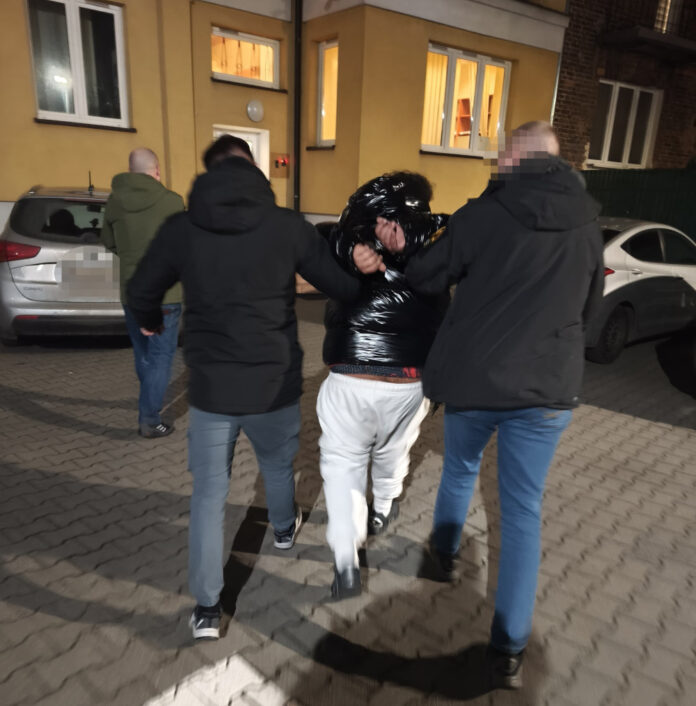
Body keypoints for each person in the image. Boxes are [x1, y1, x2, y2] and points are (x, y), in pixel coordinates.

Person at [369, 122, 604, 689]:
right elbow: (590, 307)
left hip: (477, 380)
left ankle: (444, 555)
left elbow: (427, 275)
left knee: (460, 468)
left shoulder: (484, 213)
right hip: (547, 390)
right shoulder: (587, 222)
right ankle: (509, 648)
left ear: (515, 158)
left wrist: (403, 251)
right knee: (522, 512)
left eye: (502, 157)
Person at [126, 136, 369, 641]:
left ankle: (207, 610)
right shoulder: (287, 226)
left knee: (208, 494)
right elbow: (343, 287)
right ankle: (282, 531)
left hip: (211, 388)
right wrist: (361, 270)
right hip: (271, 382)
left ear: (209, 171)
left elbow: (141, 289)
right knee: (277, 467)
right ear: (252, 166)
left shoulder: (182, 228)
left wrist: (149, 318)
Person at [318, 172, 450, 600]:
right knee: (393, 450)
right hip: (408, 381)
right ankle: (384, 507)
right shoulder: (437, 248)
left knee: (343, 465)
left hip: (350, 374)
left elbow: (323, 241)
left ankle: (346, 560)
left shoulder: (348, 244)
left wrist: (349, 249)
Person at [102, 148, 185, 438]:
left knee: (143, 353)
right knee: (161, 357)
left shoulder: (115, 202)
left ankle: (148, 401)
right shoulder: (173, 201)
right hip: (167, 294)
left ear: (130, 171)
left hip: (132, 292)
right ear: (156, 171)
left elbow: (108, 241)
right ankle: (149, 419)